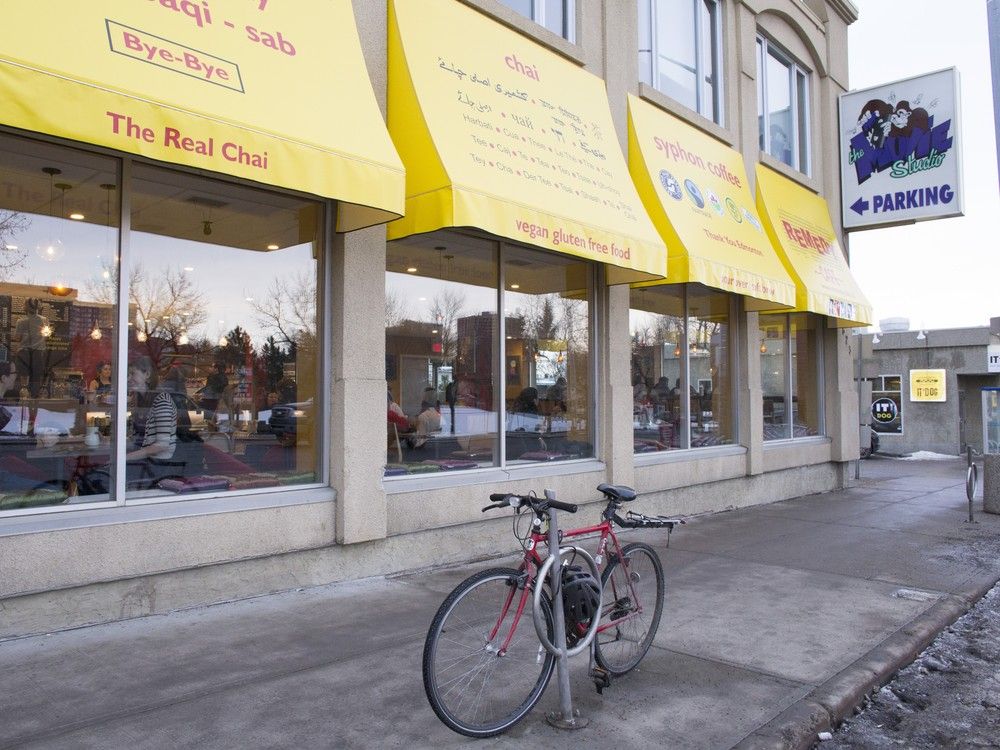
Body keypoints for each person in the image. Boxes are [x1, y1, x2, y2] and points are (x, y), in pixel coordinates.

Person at [125, 356, 177, 463]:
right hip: (146, 461)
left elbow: (162, 445)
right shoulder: (140, 399)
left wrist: (125, 458)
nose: (128, 379)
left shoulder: (162, 401)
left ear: (147, 375)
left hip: (159, 465)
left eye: (133, 374)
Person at [14, 298, 50, 397]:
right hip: (39, 352)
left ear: (26, 307)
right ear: (38, 307)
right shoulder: (45, 320)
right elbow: (46, 336)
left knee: (24, 376)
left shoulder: (21, 321)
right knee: (36, 377)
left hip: (24, 352)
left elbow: (17, 338)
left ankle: (24, 397)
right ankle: (34, 398)